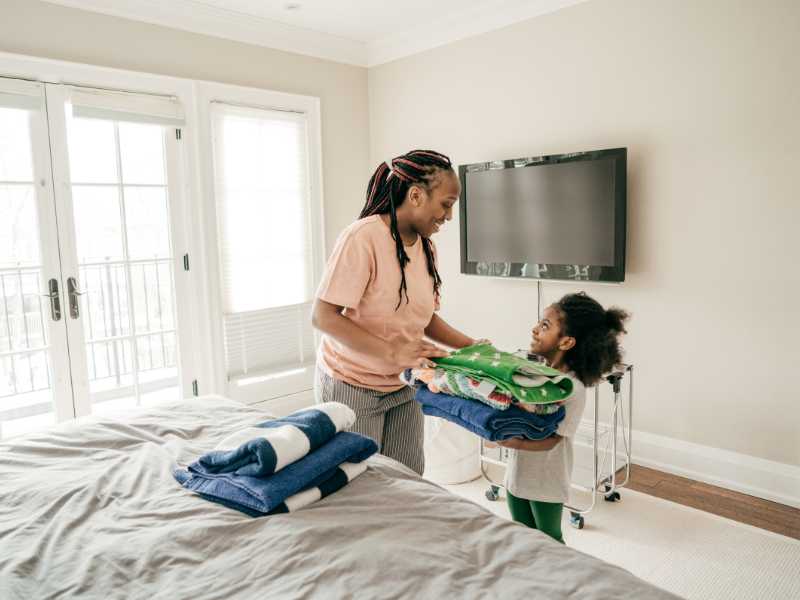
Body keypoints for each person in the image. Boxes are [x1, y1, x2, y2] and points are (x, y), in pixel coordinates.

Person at [312, 149, 481, 475]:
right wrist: (394, 351)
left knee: (408, 478)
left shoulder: (425, 246)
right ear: (416, 195)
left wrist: (470, 346)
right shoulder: (363, 238)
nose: (448, 216)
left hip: (403, 383)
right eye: (445, 204)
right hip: (352, 383)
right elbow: (324, 316)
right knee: (361, 485)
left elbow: (424, 316)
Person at [500, 292, 629, 542]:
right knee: (519, 533)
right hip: (516, 472)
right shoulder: (534, 373)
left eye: (545, 325)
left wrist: (510, 442)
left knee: (549, 540)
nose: (535, 329)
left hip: (545, 480)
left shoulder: (572, 389)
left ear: (567, 342)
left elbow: (553, 440)